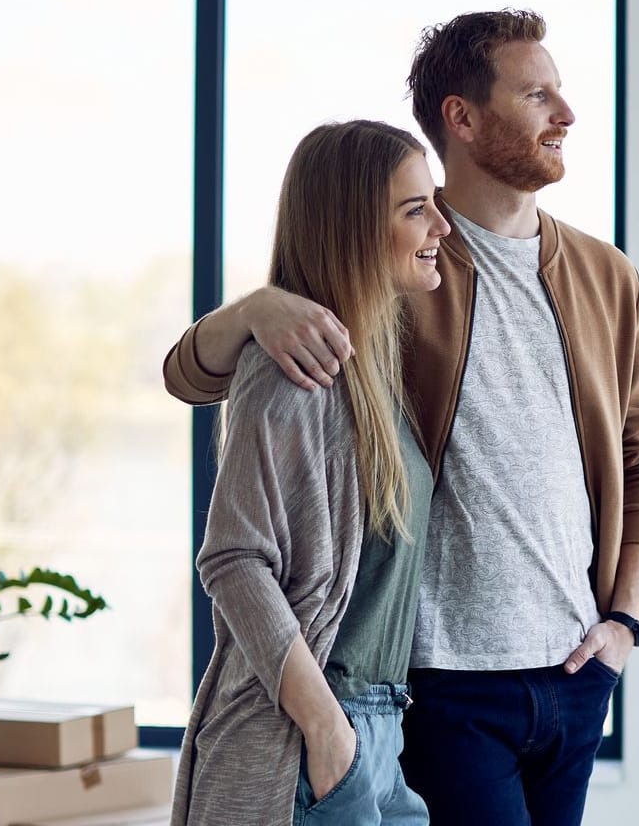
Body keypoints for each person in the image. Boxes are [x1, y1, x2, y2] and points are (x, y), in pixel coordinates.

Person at [163, 9, 639, 826]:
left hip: (577, 677)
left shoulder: (607, 279)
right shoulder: (402, 263)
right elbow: (195, 381)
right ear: (461, 118)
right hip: (439, 683)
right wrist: (254, 308)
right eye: (536, 94)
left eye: (561, 93)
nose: (565, 115)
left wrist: (622, 626)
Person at [169, 119, 450, 826]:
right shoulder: (295, 369)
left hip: (379, 731)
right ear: (353, 228)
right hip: (308, 739)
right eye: (414, 210)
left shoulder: (370, 367)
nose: (440, 226)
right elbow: (233, 559)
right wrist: (327, 733)